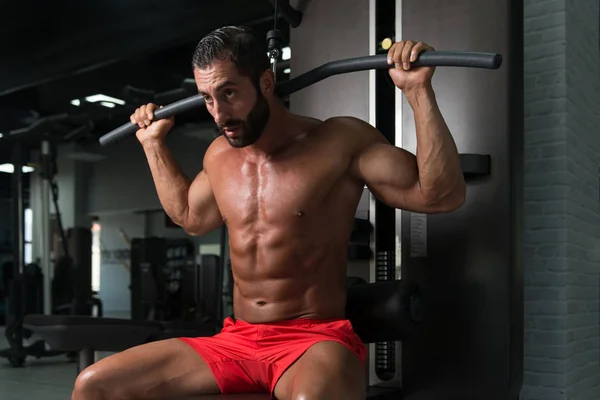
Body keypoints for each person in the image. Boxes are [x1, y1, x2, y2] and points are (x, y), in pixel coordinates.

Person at [72, 26, 465, 400]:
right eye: (208, 98)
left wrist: (418, 92)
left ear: (265, 83)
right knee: (95, 385)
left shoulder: (339, 141)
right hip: (237, 339)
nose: (219, 114)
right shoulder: (219, 156)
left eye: (229, 93)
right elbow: (191, 217)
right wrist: (153, 146)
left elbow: (440, 196)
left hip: (314, 339)